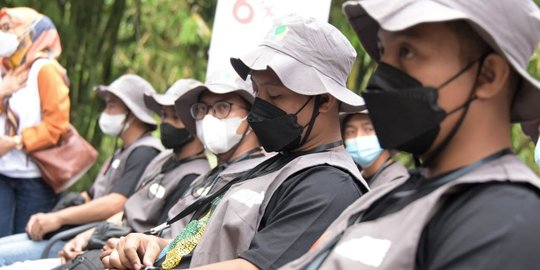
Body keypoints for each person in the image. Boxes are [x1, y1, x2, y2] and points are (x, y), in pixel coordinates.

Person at [282, 0, 540, 269]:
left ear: (488, 76)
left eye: (406, 51)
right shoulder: (392, 194)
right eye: (383, 51)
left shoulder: (503, 221)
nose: (380, 78)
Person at [102, 15, 369, 270]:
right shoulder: (269, 168)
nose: (260, 108)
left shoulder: (329, 185)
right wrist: (155, 247)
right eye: (257, 92)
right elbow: (199, 245)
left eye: (275, 95)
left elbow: (254, 265)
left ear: (324, 100)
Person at [0, 74, 163, 266]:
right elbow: (92, 194)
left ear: (133, 113)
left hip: (88, 241)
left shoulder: (144, 151)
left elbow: (117, 203)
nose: (105, 112)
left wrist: (58, 218)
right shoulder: (123, 150)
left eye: (111, 106)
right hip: (74, 234)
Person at [0, 7, 70, 237]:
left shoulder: (45, 70)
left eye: (8, 27)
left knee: (22, 244)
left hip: (34, 180)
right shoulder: (6, 71)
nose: (3, 33)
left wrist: (16, 141)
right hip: (3, 172)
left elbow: (57, 125)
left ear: (32, 31)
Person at [342, 111, 408, 188]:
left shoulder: (397, 181)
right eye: (351, 132)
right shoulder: (356, 180)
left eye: (368, 129)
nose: (358, 137)